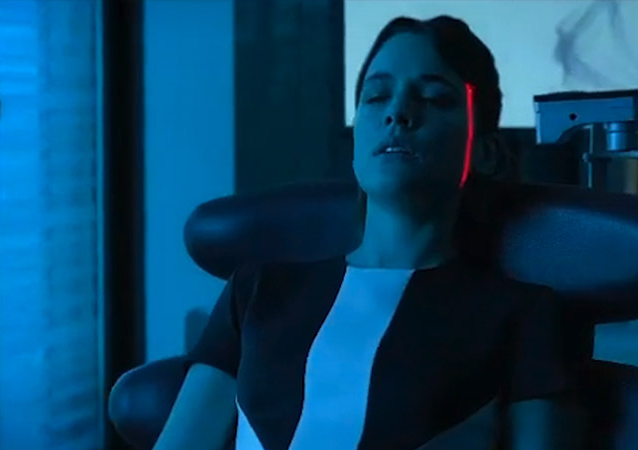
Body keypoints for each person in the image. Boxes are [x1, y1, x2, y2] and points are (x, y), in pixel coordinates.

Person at [153, 15, 580, 450]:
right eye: (376, 97)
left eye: (435, 98)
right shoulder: (257, 291)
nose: (398, 113)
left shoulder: (523, 316)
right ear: (357, 138)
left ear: (484, 150)